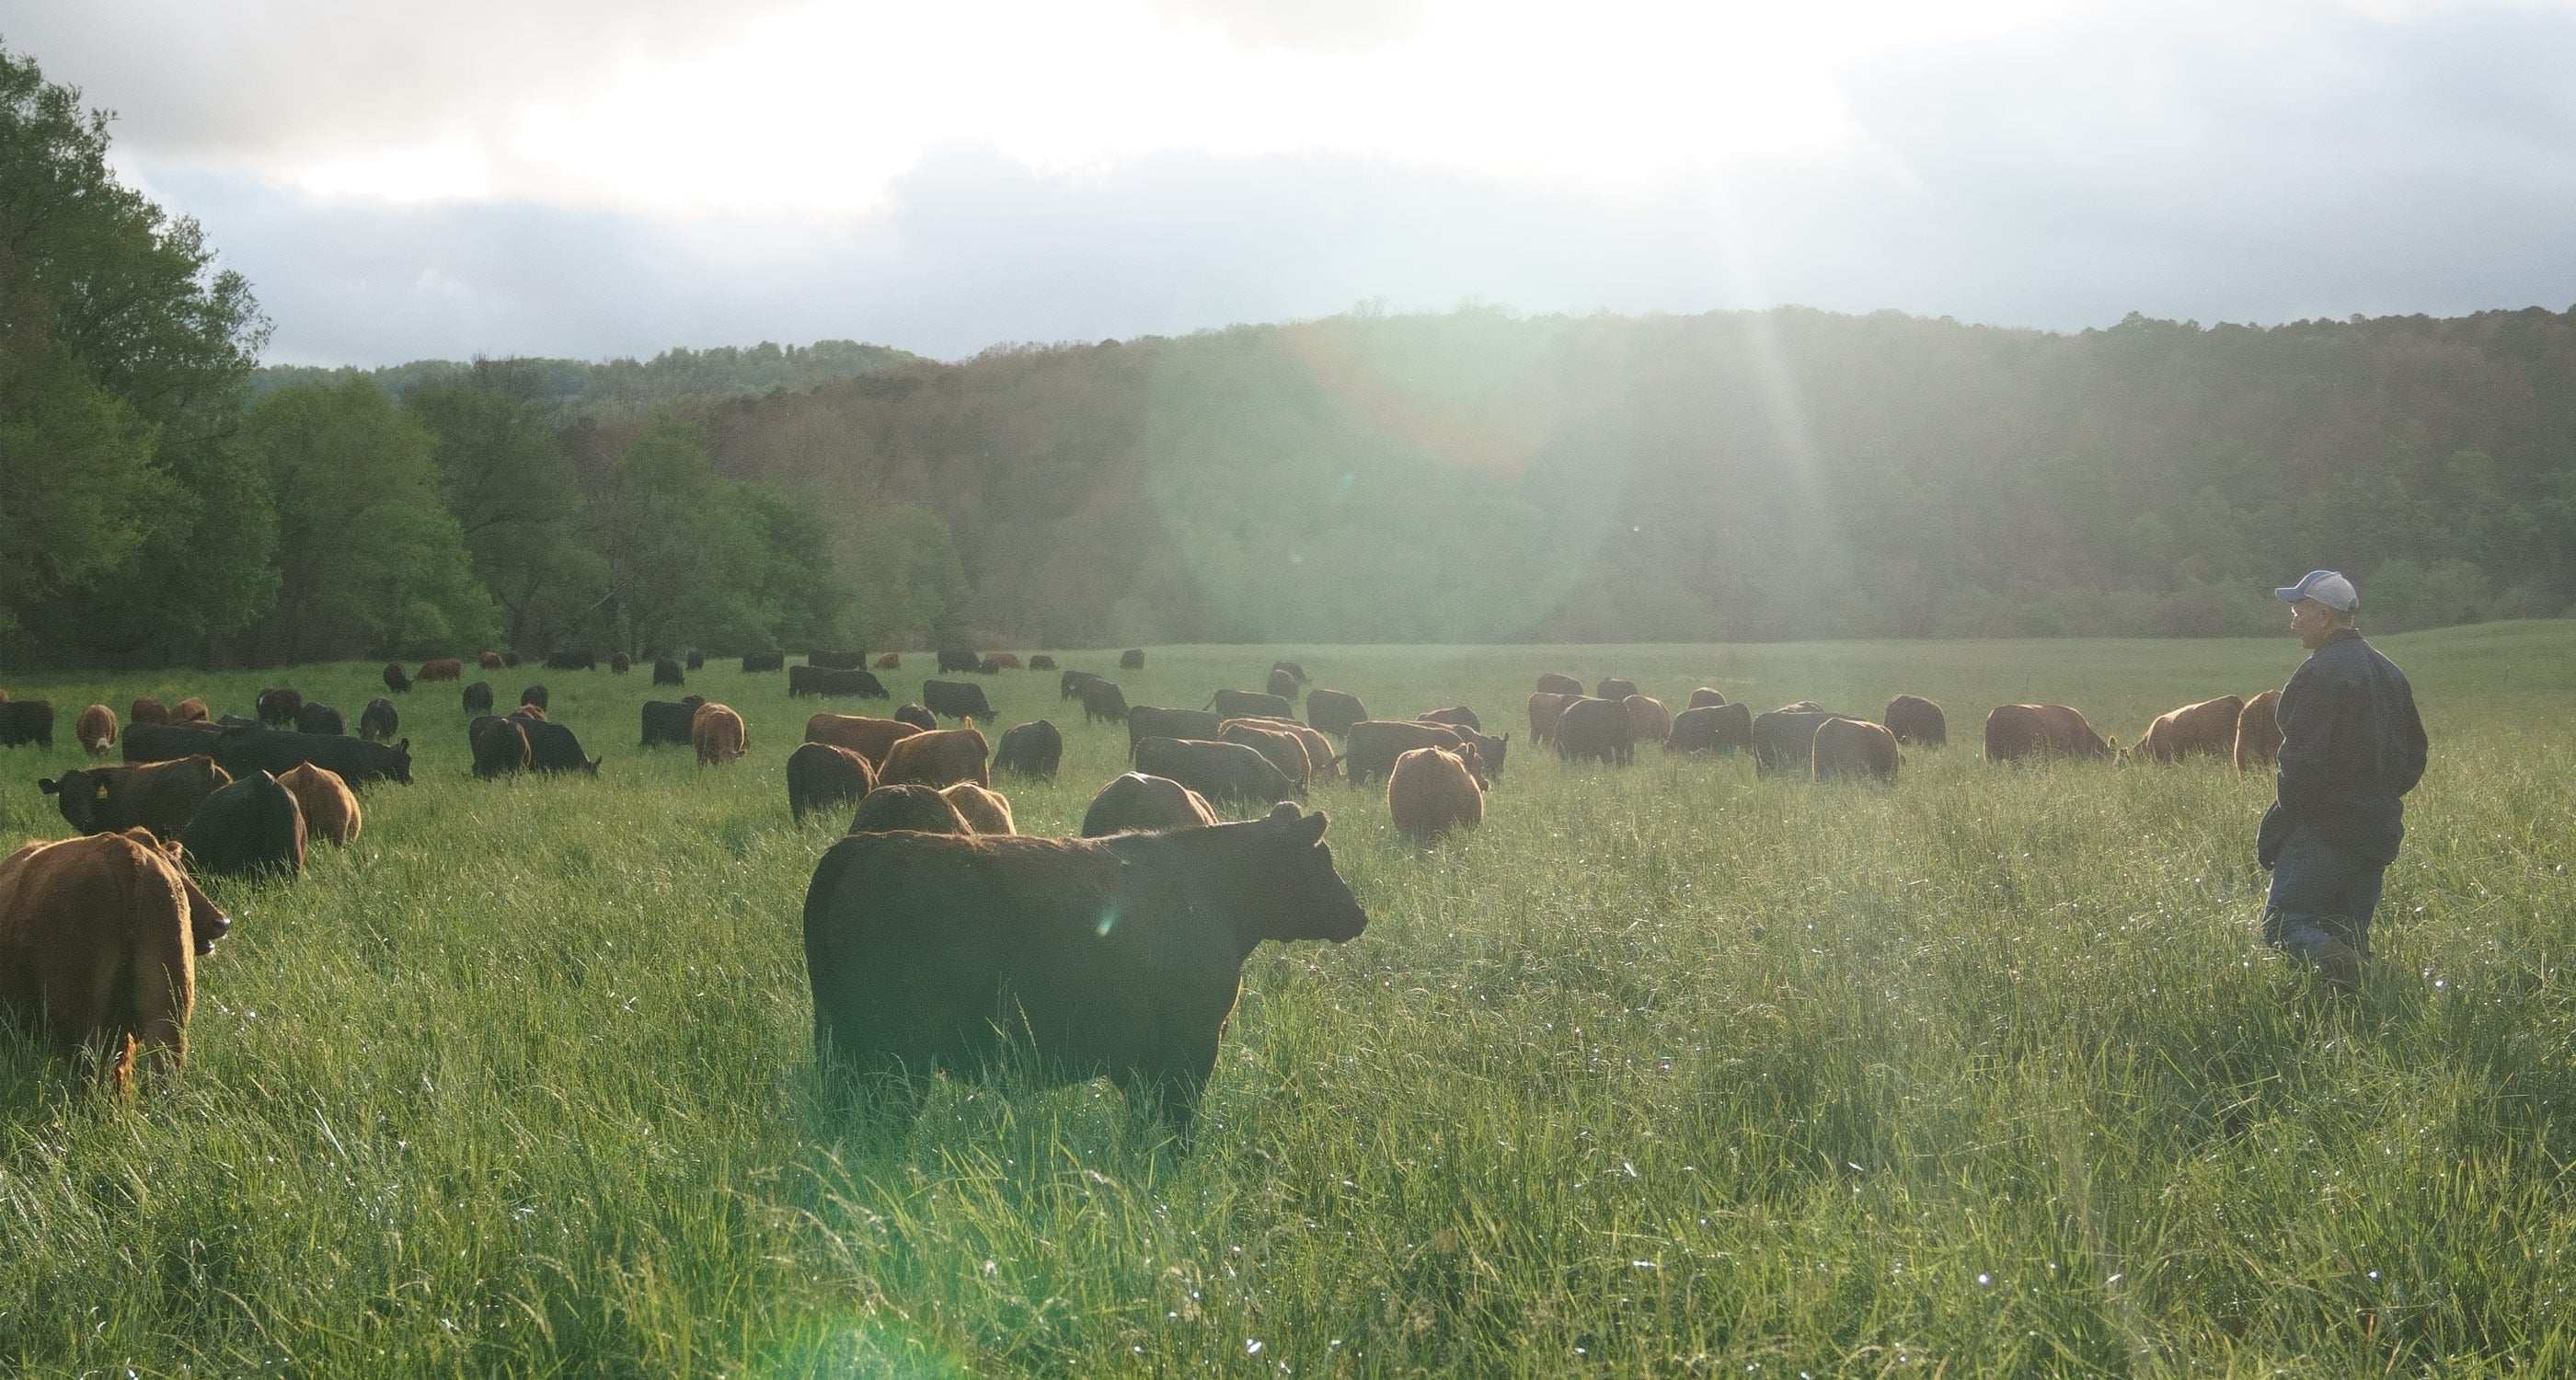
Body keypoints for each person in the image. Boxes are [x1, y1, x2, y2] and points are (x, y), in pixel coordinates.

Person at [2256, 569, 2428, 992]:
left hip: (2325, 829)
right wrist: (2375, 796)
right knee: (2348, 932)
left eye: (2299, 610)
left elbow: (2299, 765)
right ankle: (2360, 1008)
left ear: (2325, 616)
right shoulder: (2391, 673)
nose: (2293, 620)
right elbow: (2415, 755)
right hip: (2378, 828)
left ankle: (2354, 976)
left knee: (2284, 925)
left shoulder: (2317, 674)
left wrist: (2290, 821)